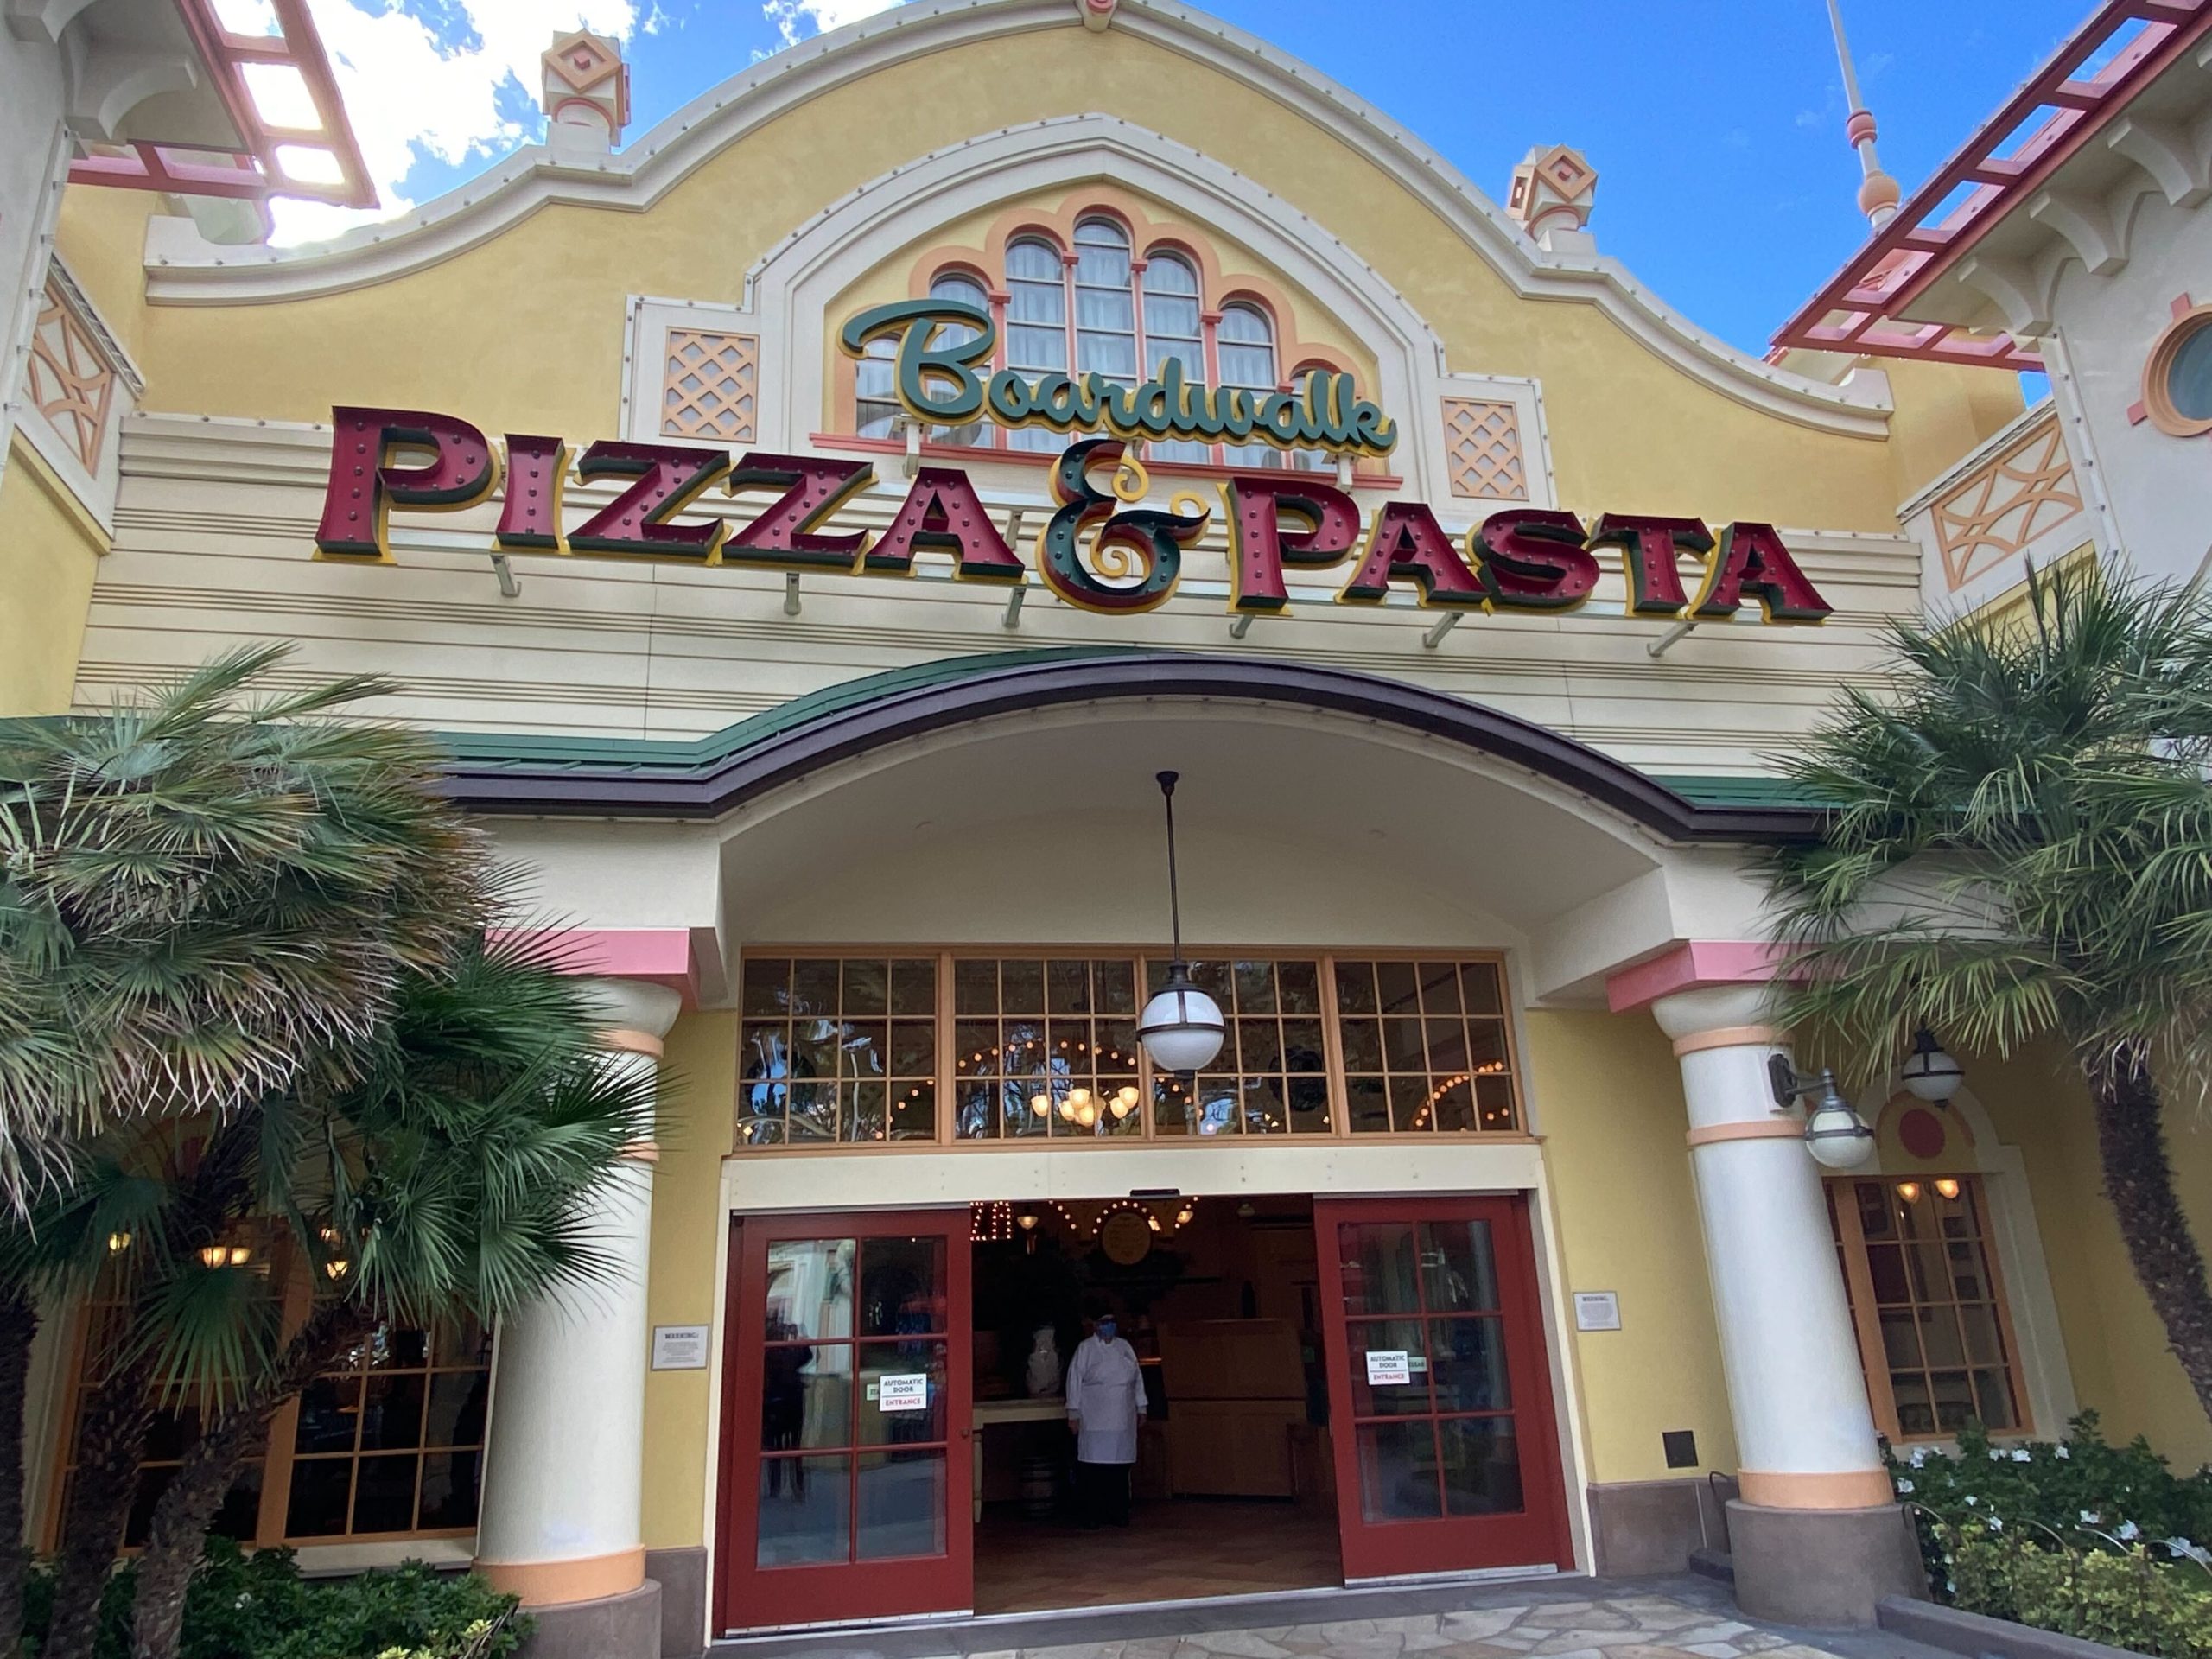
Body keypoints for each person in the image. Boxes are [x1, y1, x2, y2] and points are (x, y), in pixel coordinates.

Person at [1064, 1308, 1145, 1527]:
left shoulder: (1124, 1347)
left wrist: (1142, 1406)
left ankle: (1118, 1513)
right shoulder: (1086, 1349)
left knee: (1119, 1470)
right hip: (1095, 1418)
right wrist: (1073, 1412)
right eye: (1104, 1322)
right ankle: (1093, 1516)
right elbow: (1074, 1381)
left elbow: (1137, 1379)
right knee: (1094, 1470)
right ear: (1095, 1325)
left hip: (1123, 1419)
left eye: (1111, 1321)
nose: (1108, 1326)